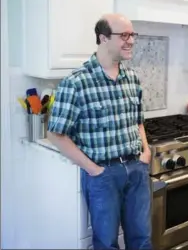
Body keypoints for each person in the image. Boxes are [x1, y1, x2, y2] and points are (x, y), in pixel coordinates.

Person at [47, 13, 152, 249]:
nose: (131, 40)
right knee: (106, 243)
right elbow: (56, 134)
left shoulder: (132, 79)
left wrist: (145, 150)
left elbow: (138, 121)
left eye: (132, 34)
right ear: (103, 38)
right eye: (124, 35)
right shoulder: (76, 83)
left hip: (137, 169)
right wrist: (93, 169)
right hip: (103, 175)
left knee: (142, 240)